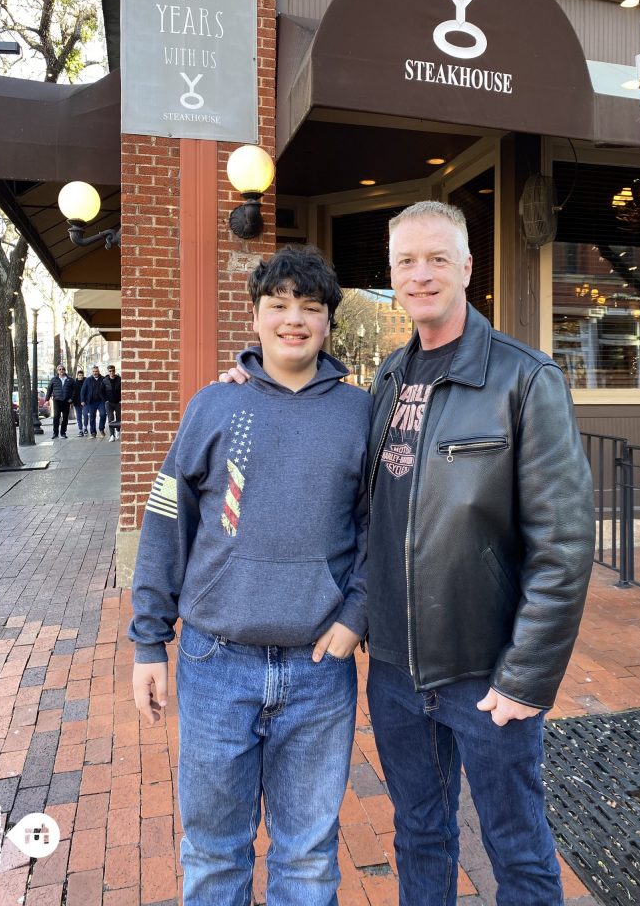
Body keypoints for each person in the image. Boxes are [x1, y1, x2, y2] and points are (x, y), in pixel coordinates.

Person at [223, 202, 595, 906]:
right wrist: (253, 376)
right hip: (393, 668)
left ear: (466, 268)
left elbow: (565, 545)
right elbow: (334, 442)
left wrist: (526, 677)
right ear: (392, 272)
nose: (420, 275)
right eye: (406, 262)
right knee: (420, 835)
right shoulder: (389, 378)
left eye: (436, 259)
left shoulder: (524, 379)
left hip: (485, 669)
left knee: (515, 845)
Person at [129, 245, 371, 906]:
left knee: (308, 854)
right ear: (256, 316)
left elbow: (379, 530)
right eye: (279, 305)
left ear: (328, 323)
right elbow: (164, 522)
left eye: (310, 308)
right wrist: (149, 640)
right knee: (212, 850)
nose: (294, 319)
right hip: (214, 661)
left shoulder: (359, 415)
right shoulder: (212, 406)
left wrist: (356, 616)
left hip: (319, 669)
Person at [44, 364, 74, 439]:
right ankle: (55, 433)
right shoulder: (54, 379)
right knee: (56, 417)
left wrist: (72, 399)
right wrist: (47, 400)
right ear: (57, 371)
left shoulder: (70, 380)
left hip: (66, 401)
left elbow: (74, 391)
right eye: (59, 369)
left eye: (63, 369)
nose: (61, 371)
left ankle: (63, 433)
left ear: (65, 370)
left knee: (65, 417)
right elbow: (49, 390)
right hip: (57, 400)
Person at [81, 364, 106, 438]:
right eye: (94, 371)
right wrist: (82, 400)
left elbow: (107, 390)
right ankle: (93, 432)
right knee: (92, 417)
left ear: (99, 371)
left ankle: (101, 429)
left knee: (103, 414)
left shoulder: (103, 379)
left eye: (96, 371)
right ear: (92, 372)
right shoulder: (88, 379)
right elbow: (83, 390)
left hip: (101, 401)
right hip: (91, 401)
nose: (95, 373)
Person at [101, 364, 122, 441]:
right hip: (109, 403)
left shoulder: (119, 379)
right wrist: (105, 400)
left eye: (113, 370)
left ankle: (117, 431)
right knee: (110, 419)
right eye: (110, 371)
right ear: (108, 371)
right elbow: (101, 392)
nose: (112, 372)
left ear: (115, 371)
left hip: (118, 402)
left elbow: (123, 390)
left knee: (118, 418)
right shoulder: (105, 380)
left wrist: (121, 400)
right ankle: (112, 435)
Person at [72, 369, 87, 435]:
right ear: (77, 376)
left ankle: (85, 427)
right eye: (79, 375)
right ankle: (80, 430)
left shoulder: (86, 381)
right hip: (77, 402)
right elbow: (73, 392)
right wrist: (72, 401)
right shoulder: (74, 382)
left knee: (85, 415)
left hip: (85, 402)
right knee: (79, 416)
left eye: (82, 375)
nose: (81, 376)